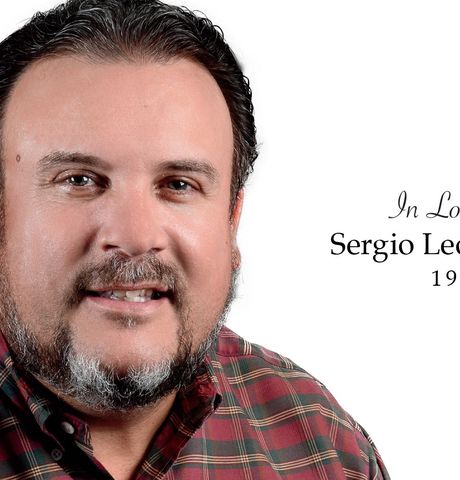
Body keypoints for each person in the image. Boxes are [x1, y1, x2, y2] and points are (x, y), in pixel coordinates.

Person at [0, 0, 389, 478]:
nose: (135, 236)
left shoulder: (322, 445)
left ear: (231, 222)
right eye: (79, 180)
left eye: (178, 185)